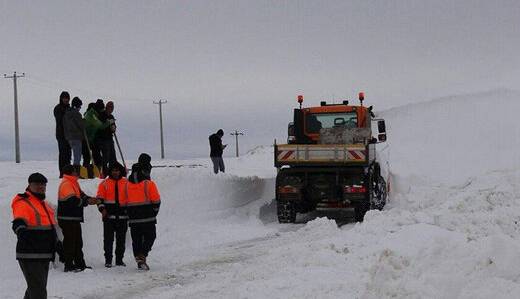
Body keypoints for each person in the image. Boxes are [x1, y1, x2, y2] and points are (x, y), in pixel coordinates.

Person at [11, 173, 62, 299]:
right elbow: (19, 221)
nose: (41, 187)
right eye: (37, 184)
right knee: (38, 291)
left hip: (43, 253)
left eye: (43, 184)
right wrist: (21, 231)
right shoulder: (24, 202)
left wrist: (58, 245)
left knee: (35, 289)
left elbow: (50, 228)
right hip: (30, 254)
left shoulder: (43, 204)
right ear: (29, 185)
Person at [57, 165, 98, 272]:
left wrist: (90, 199)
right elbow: (73, 201)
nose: (78, 173)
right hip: (67, 219)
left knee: (77, 242)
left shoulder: (73, 183)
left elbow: (81, 195)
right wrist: (87, 202)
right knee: (70, 242)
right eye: (76, 171)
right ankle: (69, 265)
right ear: (72, 172)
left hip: (73, 218)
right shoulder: (66, 184)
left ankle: (80, 264)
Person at [126, 155, 160, 270]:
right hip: (148, 217)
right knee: (150, 236)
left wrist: (129, 213)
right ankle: (143, 255)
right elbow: (156, 200)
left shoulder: (127, 184)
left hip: (133, 218)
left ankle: (139, 259)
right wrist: (153, 212)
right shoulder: (148, 184)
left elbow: (123, 201)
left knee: (136, 239)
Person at [96, 162, 128, 267]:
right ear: (110, 171)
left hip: (122, 217)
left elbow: (130, 198)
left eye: (117, 170)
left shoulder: (126, 183)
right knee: (108, 240)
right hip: (108, 217)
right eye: (114, 170)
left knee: (121, 240)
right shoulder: (104, 184)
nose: (115, 172)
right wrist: (102, 210)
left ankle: (119, 260)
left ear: (120, 171)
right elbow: (99, 200)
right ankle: (108, 260)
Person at [84, 99, 110, 175]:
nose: (102, 111)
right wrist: (109, 122)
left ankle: (93, 172)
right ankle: (91, 172)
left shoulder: (92, 114)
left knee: (94, 156)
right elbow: (100, 126)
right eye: (102, 109)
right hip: (87, 139)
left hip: (91, 139)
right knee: (90, 156)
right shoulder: (92, 115)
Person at [63, 97, 85, 173]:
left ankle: (74, 170)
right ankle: (76, 171)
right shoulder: (76, 114)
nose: (80, 108)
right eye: (80, 106)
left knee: (75, 155)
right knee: (77, 156)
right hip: (76, 137)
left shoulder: (66, 113)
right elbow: (81, 125)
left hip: (69, 138)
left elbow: (64, 126)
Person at [54, 91, 71, 178]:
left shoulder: (69, 108)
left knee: (68, 154)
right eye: (64, 98)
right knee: (63, 153)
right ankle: (62, 172)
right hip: (61, 134)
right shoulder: (58, 108)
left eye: (67, 98)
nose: (66, 100)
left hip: (69, 135)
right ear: (61, 98)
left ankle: (68, 172)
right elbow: (60, 120)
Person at [97, 101, 117, 174]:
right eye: (110, 107)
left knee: (113, 156)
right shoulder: (102, 115)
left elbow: (113, 126)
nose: (111, 109)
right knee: (106, 156)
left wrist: (114, 128)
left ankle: (113, 171)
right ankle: (105, 172)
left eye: (112, 108)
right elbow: (100, 127)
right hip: (103, 139)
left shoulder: (111, 116)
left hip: (109, 138)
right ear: (106, 107)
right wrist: (108, 123)